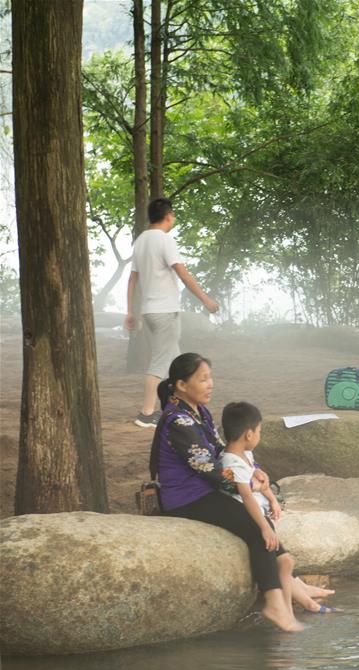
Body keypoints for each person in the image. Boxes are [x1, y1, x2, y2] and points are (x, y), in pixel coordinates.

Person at [149, 353, 303, 631]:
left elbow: (222, 451)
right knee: (258, 529)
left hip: (207, 489)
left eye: (211, 378)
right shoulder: (178, 421)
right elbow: (208, 468)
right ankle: (274, 605)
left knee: (261, 520)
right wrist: (246, 485)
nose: (210, 384)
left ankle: (293, 585)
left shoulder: (199, 411)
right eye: (203, 379)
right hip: (187, 498)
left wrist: (253, 468)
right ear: (182, 385)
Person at [220, 401, 336, 614]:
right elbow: (246, 496)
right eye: (259, 431)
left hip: (261, 512)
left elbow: (260, 482)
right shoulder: (230, 463)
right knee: (280, 562)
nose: (259, 436)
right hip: (251, 516)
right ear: (248, 434)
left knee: (283, 561)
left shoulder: (245, 456)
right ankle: (301, 605)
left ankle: (306, 601)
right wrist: (264, 526)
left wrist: (272, 500)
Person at [125, 197, 220, 428]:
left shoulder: (140, 242)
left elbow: (132, 278)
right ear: (168, 216)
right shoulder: (164, 240)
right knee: (159, 362)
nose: (174, 218)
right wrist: (206, 300)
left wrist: (130, 311)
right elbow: (183, 273)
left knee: (175, 362)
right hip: (165, 310)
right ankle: (146, 413)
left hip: (149, 312)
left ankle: (176, 408)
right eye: (173, 215)